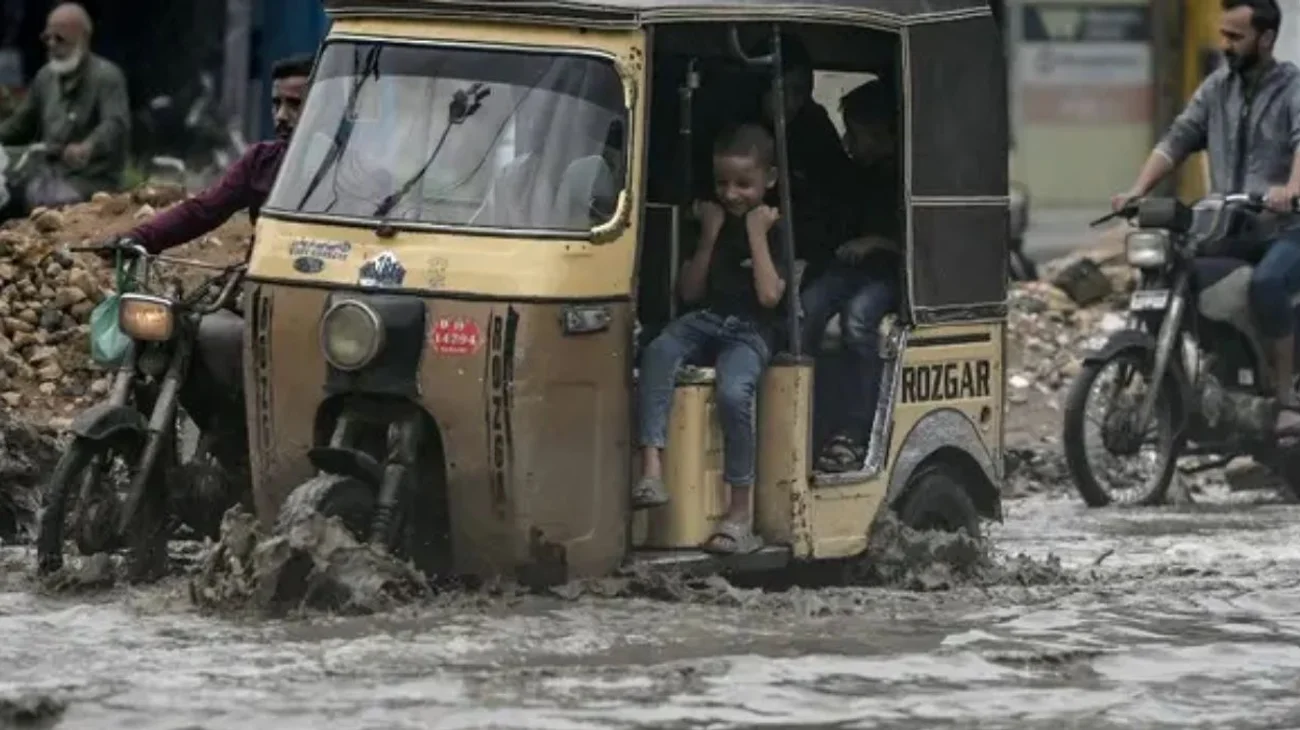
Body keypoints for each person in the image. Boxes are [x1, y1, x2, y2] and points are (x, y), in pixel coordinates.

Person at [94, 53, 313, 500]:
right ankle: (190, 460)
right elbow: (204, 209)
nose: (281, 116)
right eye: (276, 104)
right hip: (251, 294)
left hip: (307, 305)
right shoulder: (261, 162)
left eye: (295, 105)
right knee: (179, 337)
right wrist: (139, 238)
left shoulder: (349, 172)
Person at [1113, 0, 1300, 417]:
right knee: (1173, 274)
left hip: (1285, 228)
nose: (1226, 45)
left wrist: (1291, 188)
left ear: (1266, 39)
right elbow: (1178, 139)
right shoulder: (1216, 88)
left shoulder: (1293, 88)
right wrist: (1137, 189)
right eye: (1224, 35)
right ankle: (1198, 382)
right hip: (1229, 226)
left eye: (1236, 37)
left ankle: (1286, 392)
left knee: (1268, 283)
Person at [632, 123, 789, 556]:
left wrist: (757, 233)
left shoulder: (774, 225)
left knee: (734, 393)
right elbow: (690, 291)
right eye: (723, 183)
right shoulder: (714, 220)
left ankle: (740, 512)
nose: (732, 194)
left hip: (751, 330)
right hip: (708, 317)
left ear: (769, 181)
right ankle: (651, 469)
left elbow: (770, 295)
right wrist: (708, 235)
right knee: (659, 351)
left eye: (744, 184)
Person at [800, 80, 902, 473]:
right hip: (849, 270)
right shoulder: (853, 174)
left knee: (858, 322)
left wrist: (876, 243)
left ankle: (857, 429)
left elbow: (916, 243)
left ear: (882, 135)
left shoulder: (905, 178)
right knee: (806, 313)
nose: (849, 142)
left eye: (856, 134)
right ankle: (804, 421)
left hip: (887, 274)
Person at [0, 3, 129, 209]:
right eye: (47, 38)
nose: (51, 44)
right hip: (49, 175)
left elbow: (115, 123)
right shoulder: (45, 77)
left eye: (60, 38)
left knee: (50, 203)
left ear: (83, 38)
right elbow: (21, 124)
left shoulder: (106, 77)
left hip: (92, 181)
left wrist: (88, 146)